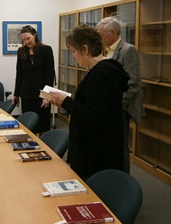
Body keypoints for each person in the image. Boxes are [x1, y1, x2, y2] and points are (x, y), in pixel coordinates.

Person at [49, 24, 129, 181]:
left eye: (73, 50)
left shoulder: (100, 75)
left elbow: (94, 116)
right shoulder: (107, 69)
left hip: (95, 150)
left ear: (85, 49)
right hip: (100, 145)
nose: (73, 55)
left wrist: (66, 101)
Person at [96, 16, 145, 174]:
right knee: (108, 145)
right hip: (107, 107)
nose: (99, 38)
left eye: (101, 35)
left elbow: (134, 83)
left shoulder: (128, 50)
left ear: (113, 32)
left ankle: (122, 179)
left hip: (120, 108)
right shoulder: (105, 51)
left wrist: (117, 104)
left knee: (121, 146)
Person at [12, 25, 55, 135]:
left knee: (43, 124)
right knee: (29, 125)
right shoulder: (21, 51)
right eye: (24, 40)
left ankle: (45, 147)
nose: (26, 41)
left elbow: (50, 74)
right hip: (26, 93)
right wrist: (16, 94)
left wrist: (47, 96)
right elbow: (19, 74)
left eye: (28, 38)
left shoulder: (46, 50)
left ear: (35, 35)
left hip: (42, 93)